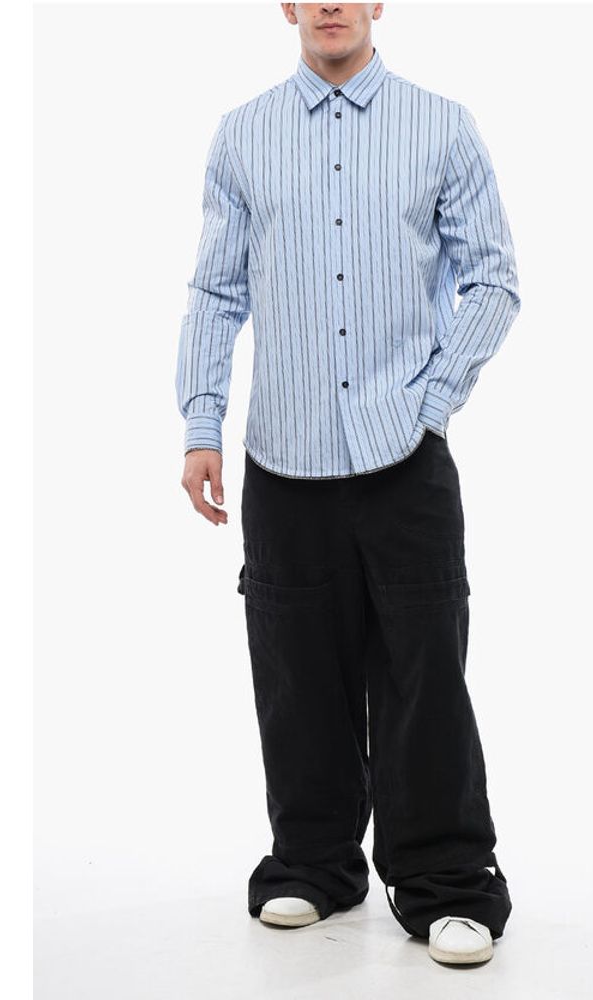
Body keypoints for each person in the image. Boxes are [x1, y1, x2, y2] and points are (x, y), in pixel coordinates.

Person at [177, 3, 521, 966]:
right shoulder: (242, 135)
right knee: (296, 673)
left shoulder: (441, 126)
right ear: (288, 6)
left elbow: (494, 279)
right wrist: (202, 424)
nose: (330, 3)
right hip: (282, 456)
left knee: (425, 673)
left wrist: (430, 403)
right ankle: (313, 863)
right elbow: (216, 289)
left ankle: (448, 882)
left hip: (404, 457)